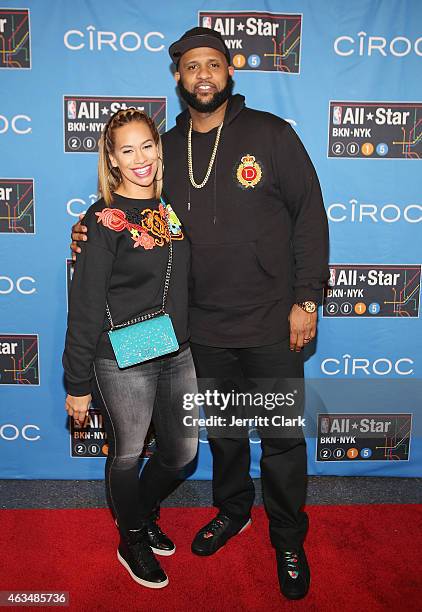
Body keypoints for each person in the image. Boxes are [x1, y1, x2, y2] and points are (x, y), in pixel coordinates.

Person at [71, 27, 329, 600]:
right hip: (200, 332)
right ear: (179, 77)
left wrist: (306, 299)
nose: (203, 75)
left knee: (282, 436)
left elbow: (310, 216)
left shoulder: (272, 133)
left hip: (270, 323)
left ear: (230, 72)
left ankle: (287, 537)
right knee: (226, 436)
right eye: (192, 66)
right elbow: (126, 216)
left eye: (214, 64)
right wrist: (86, 231)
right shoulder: (160, 151)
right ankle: (233, 510)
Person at [63, 108, 198, 589]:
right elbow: (83, 305)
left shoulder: (169, 209)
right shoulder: (102, 220)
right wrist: (77, 383)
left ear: (159, 150)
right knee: (127, 453)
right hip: (121, 355)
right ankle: (133, 536)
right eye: (127, 149)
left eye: (147, 145)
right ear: (112, 159)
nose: (140, 158)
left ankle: (136, 511)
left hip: (174, 349)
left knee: (182, 452)